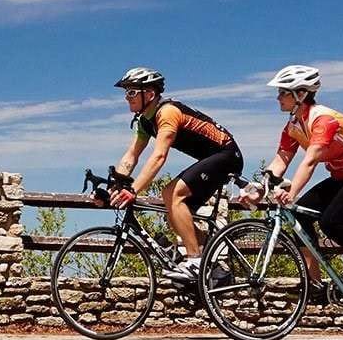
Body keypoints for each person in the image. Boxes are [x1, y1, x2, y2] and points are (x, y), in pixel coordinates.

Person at [247, 64, 343, 294]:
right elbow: (281, 159)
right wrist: (260, 187)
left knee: (332, 223)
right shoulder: (293, 125)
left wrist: (291, 193)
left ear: (301, 94)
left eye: (283, 92)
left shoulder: (324, 120)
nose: (278, 97)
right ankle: (315, 284)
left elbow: (310, 161)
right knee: (299, 216)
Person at [103, 67, 245, 282]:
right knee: (178, 210)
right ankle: (212, 268)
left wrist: (133, 190)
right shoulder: (144, 121)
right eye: (126, 92)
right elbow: (131, 156)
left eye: (132, 92)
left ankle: (195, 262)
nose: (126, 97)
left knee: (171, 193)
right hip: (212, 159)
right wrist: (113, 186)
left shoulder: (167, 112)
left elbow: (159, 156)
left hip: (226, 155)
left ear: (149, 94)